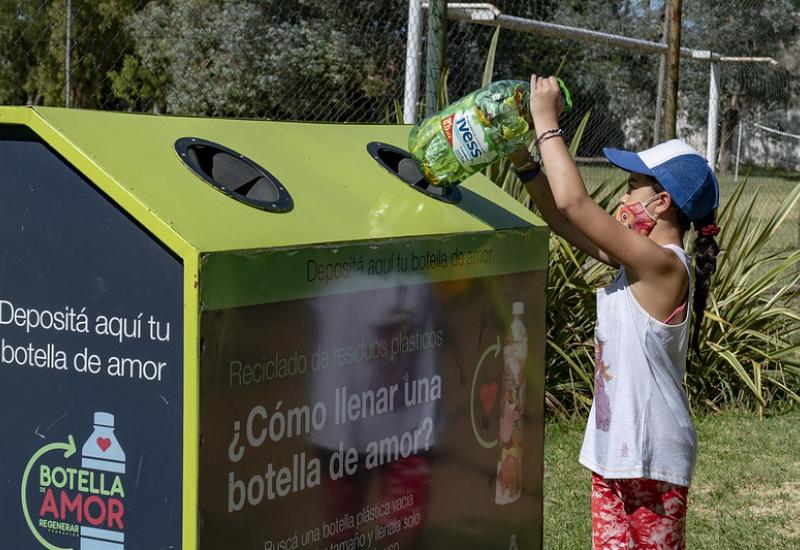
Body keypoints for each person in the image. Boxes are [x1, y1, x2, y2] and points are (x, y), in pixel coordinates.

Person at [509, 75, 721, 549]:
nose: (623, 200)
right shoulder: (635, 263)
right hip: (613, 454)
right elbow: (561, 219)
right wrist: (524, 162)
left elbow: (576, 203)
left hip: (653, 462)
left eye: (632, 188)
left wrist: (546, 121)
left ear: (661, 202)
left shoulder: (665, 267)